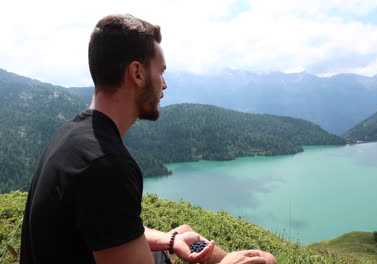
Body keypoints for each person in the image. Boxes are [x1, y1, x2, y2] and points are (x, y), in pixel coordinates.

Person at [20, 14, 277, 264]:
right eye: (161, 72)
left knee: (190, 235)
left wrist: (169, 239)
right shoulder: (106, 166)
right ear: (138, 73)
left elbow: (106, 226)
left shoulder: (72, 135)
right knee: (266, 261)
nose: (164, 84)